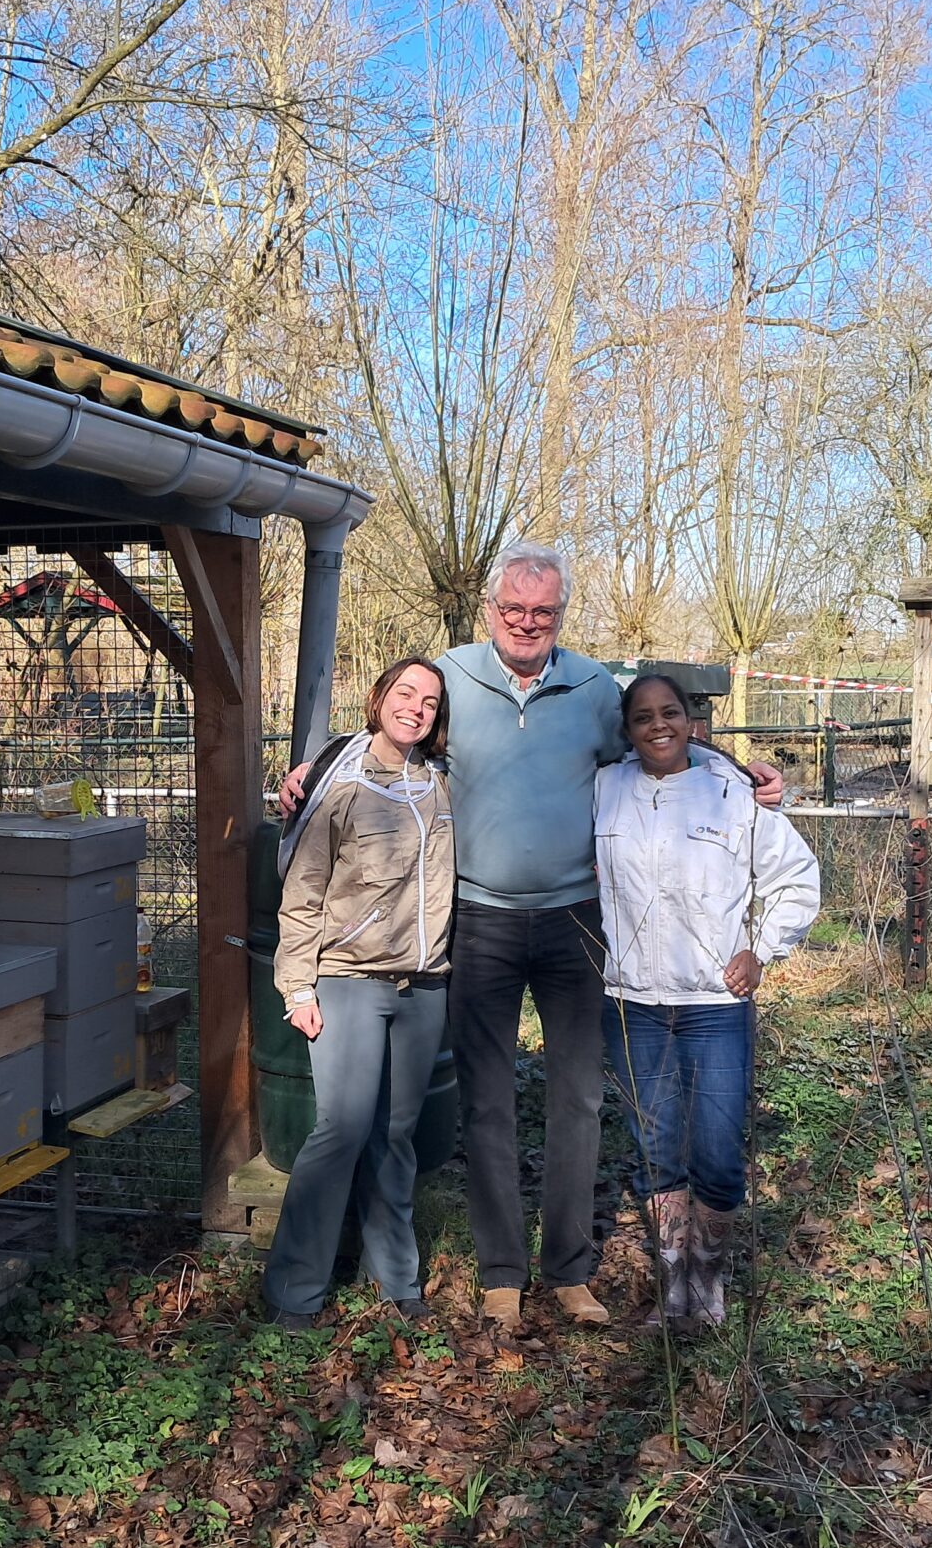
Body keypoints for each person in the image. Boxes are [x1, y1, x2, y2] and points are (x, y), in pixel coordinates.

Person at [280, 544, 784, 1330]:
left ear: (561, 615)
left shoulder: (590, 687)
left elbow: (661, 739)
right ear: (490, 609)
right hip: (476, 919)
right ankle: (502, 1274)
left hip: (577, 918)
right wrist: (313, 768)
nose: (527, 622)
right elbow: (391, 727)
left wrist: (740, 767)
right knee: (487, 1103)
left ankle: (571, 1271)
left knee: (579, 1096)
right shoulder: (453, 675)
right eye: (514, 608)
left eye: (543, 612)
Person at [595, 672, 819, 1332]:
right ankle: (674, 1288)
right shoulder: (605, 790)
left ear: (692, 721)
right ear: (627, 728)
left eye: (670, 713)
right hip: (632, 1002)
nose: (657, 726)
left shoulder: (731, 794)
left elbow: (795, 877)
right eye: (642, 717)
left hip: (713, 1005)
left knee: (718, 1153)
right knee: (658, 1149)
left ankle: (710, 1281)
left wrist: (762, 949)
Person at [264, 657, 455, 1329]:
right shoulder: (338, 781)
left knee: (396, 1135)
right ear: (379, 699)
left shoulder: (441, 785)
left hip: (424, 986)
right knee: (341, 1129)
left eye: (430, 701)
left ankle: (397, 1281)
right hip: (349, 979)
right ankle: (294, 1293)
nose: (416, 707)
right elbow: (303, 891)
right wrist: (297, 986)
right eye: (406, 693)